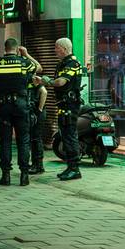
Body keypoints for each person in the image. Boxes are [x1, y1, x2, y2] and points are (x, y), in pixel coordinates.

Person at [0, 38, 36, 186]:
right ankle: (24, 175)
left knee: (5, 141)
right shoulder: (24, 63)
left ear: (4, 48)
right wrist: (26, 54)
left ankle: (6, 176)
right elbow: (39, 68)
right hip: (21, 106)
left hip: (3, 107)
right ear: (17, 48)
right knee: (23, 140)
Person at [39, 37, 85, 181]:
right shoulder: (64, 63)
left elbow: (61, 82)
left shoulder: (72, 64)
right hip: (64, 105)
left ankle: (74, 169)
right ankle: (70, 167)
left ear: (64, 49)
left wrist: (47, 81)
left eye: (56, 48)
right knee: (66, 136)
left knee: (70, 137)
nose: (55, 50)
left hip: (70, 106)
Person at [19, 46, 48, 175]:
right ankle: (36, 164)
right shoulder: (28, 78)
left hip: (36, 113)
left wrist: (39, 110)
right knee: (34, 138)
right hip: (34, 112)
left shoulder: (33, 78)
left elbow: (44, 92)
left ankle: (38, 165)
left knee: (36, 139)